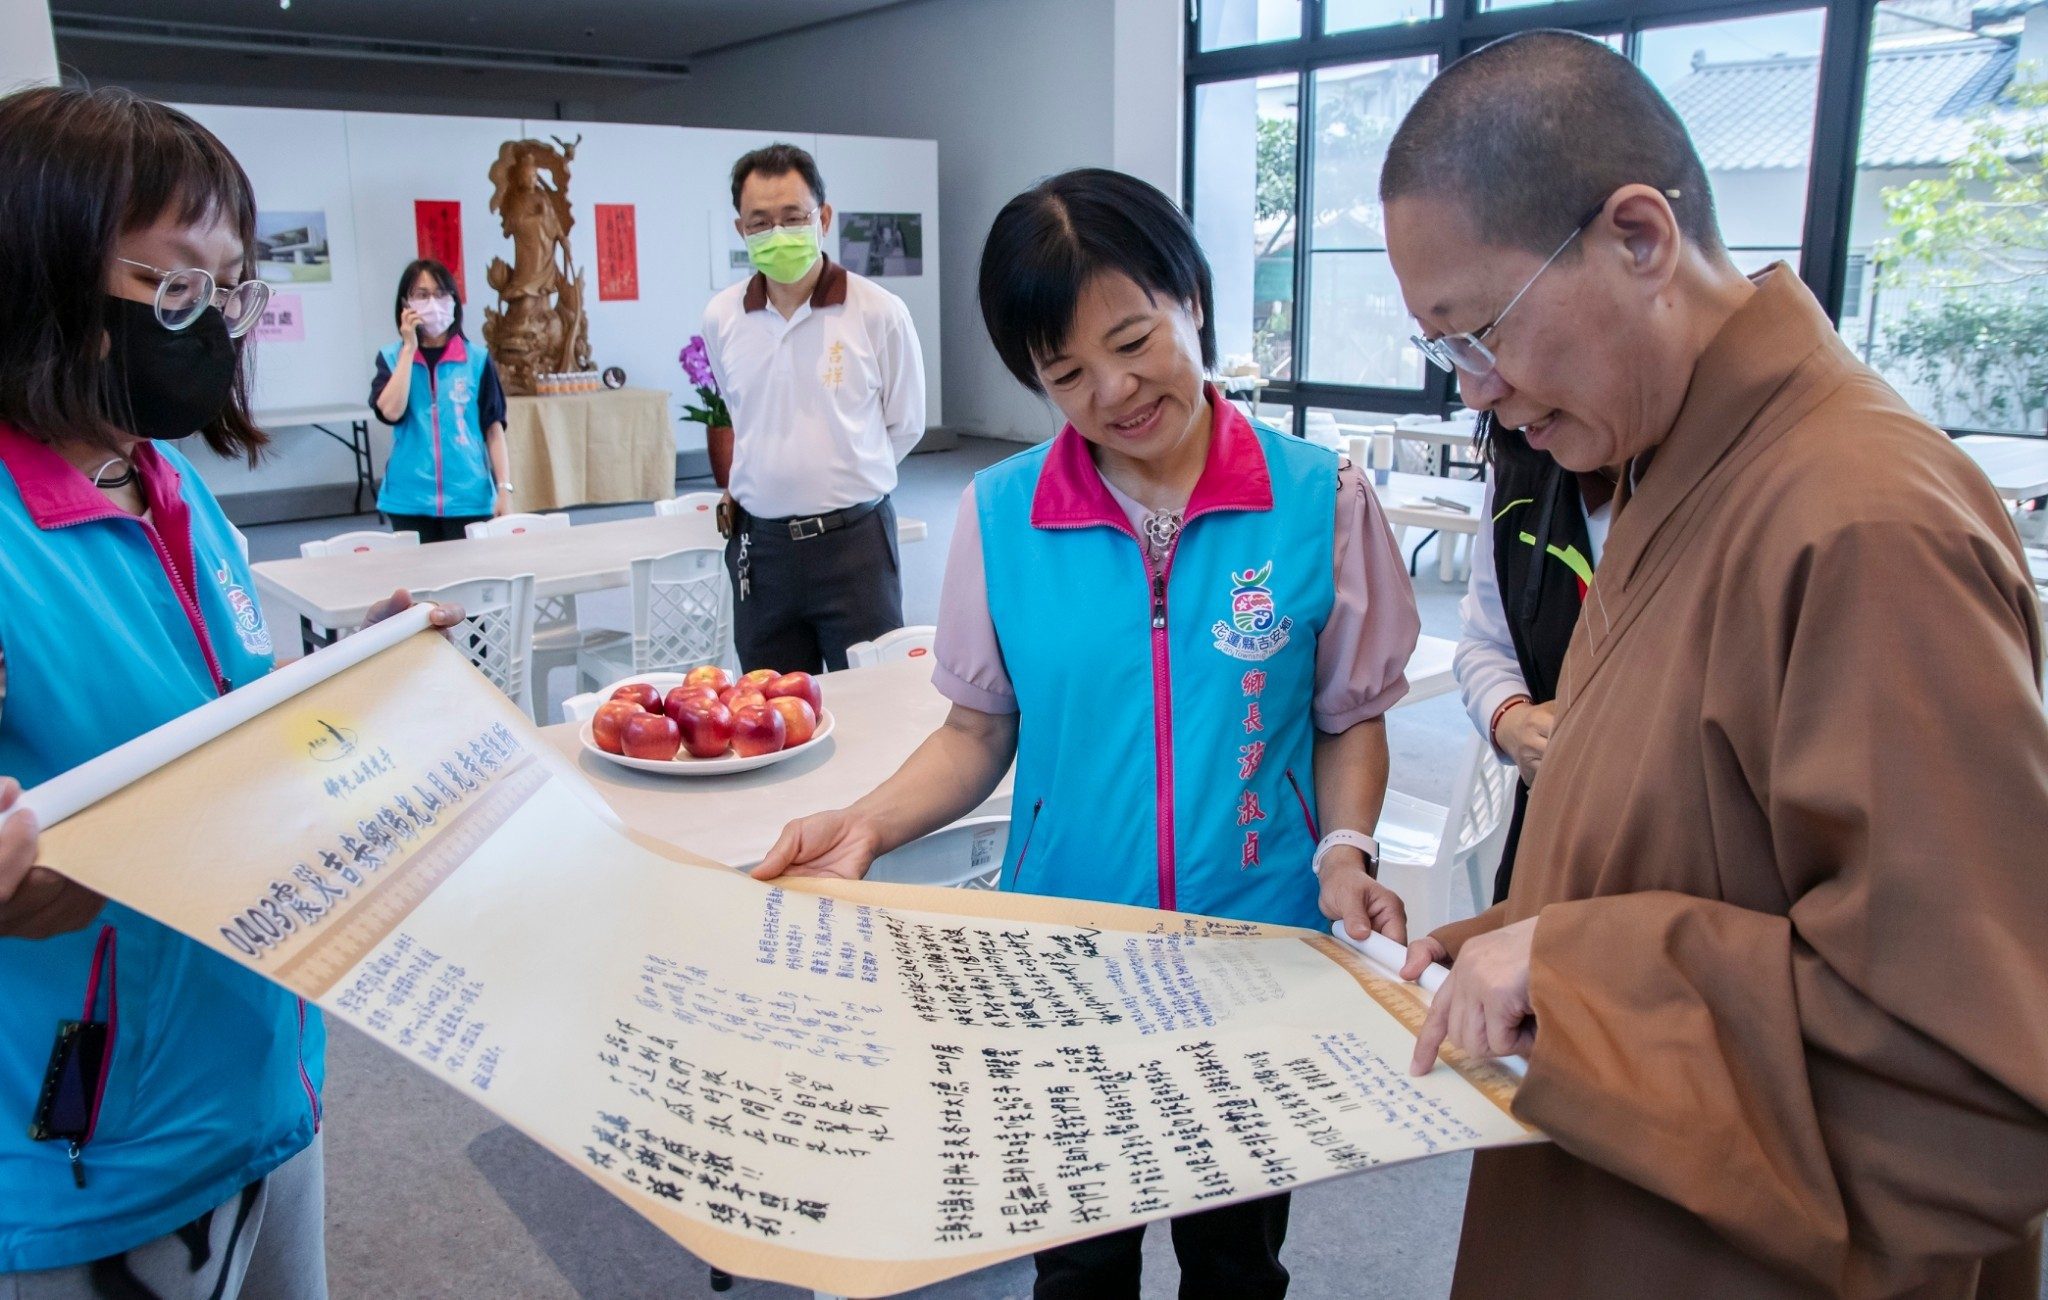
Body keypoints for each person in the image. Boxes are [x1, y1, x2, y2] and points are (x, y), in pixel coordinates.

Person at [1380, 30, 2048, 1298]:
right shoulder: (1663, 464)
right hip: (1610, 1179)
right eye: (1443, 352)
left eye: (1481, 334)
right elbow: (1700, 839)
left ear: (1638, 238)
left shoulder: (1862, 523)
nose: (1474, 393)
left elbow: (1968, 1079)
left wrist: (1574, 972)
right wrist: (1502, 942)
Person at [754, 168, 1422, 1299]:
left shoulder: (1320, 497)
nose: (1114, 390)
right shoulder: (1004, 514)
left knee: (1234, 1262)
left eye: (1133, 339)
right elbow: (976, 730)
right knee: (1077, 1269)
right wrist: (863, 824)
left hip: (1254, 954)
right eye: (1065, 372)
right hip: (1065, 962)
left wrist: (1344, 849)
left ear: (1192, 301)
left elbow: (1345, 720)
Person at [0, 85, 457, 1297]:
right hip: (92, 1155)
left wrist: (347, 677)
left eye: (234, 289)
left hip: (261, 1082)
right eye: (180, 291)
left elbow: (215, 720)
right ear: (41, 284)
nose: (218, 327)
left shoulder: (163, 487)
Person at [701, 143, 926, 673]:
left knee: (873, 706)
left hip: (854, 548)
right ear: (741, 230)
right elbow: (741, 411)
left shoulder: (877, 312)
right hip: (762, 549)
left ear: (822, 218)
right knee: (769, 712)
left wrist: (843, 473)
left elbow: (907, 423)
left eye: (792, 217)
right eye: (760, 221)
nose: (777, 233)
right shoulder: (722, 317)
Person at [1452, 412, 1611, 901]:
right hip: (1549, 825)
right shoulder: (1521, 465)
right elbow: (1486, 639)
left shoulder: (1721, 484)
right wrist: (1511, 718)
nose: (1478, 390)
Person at [370, 258, 511, 541]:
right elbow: (391, 412)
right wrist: (408, 349)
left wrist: (505, 488)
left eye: (440, 294)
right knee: (420, 581)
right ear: (405, 303)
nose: (432, 302)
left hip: (468, 495)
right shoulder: (391, 357)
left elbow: (493, 429)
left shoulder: (477, 360)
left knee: (468, 579)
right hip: (409, 497)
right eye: (421, 294)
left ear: (454, 301)